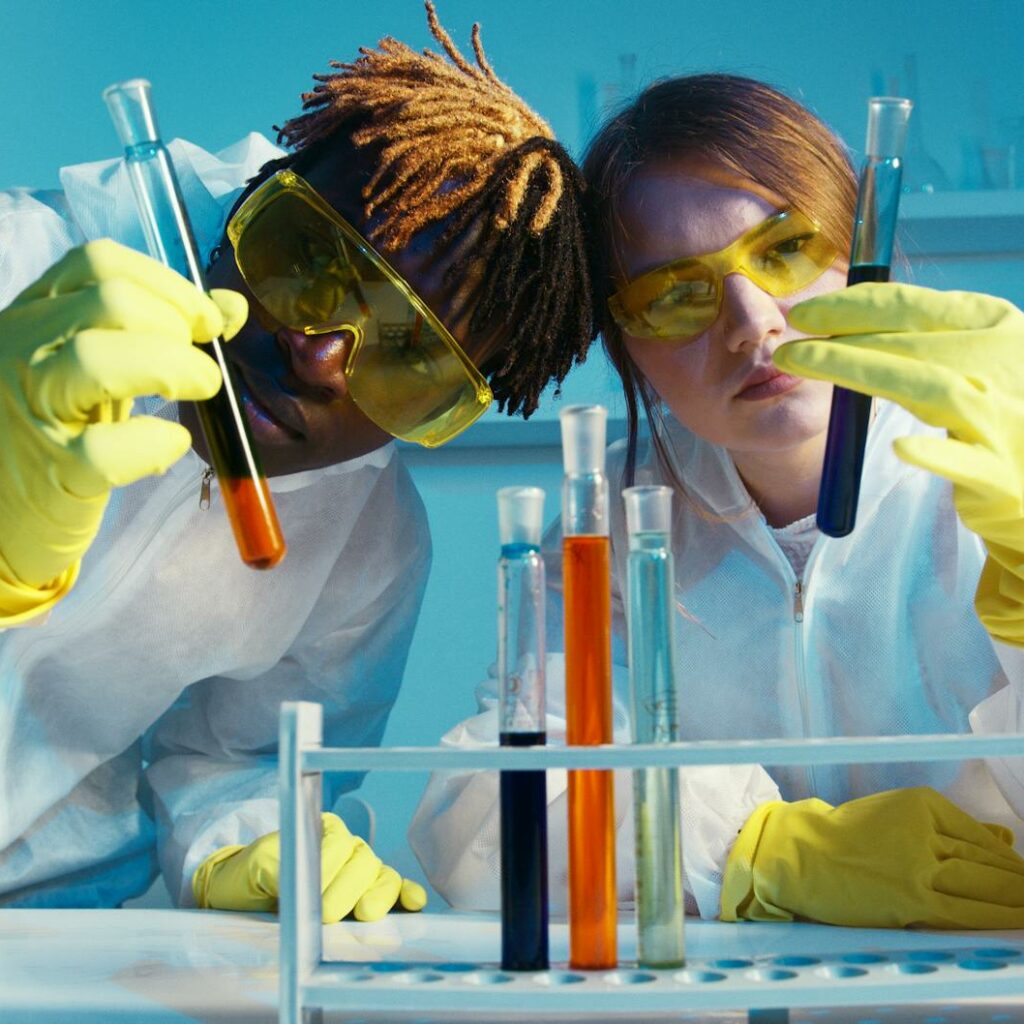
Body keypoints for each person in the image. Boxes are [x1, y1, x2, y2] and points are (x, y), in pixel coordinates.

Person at [0, 3, 591, 919]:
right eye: (311, 264)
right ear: (256, 197)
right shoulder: (22, 272)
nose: (317, 354)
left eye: (405, 354)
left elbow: (238, 764)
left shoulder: (370, 544)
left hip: (37, 922)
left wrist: (258, 839)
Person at [410, 74, 1024, 930]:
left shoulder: (997, 472)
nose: (752, 321)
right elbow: (493, 816)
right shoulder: (618, 520)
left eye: (784, 252)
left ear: (861, 254)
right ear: (624, 342)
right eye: (675, 294)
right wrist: (753, 844)